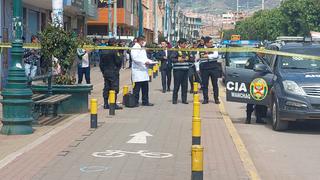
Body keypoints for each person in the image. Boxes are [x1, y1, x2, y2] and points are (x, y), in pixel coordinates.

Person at [131, 36, 155, 107]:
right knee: (137, 88)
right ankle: (135, 102)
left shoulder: (142, 48)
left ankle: (145, 101)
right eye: (143, 41)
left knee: (145, 88)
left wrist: (151, 61)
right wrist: (144, 62)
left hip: (144, 71)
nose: (144, 42)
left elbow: (145, 58)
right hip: (138, 71)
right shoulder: (135, 47)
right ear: (140, 41)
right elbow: (135, 58)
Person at [99, 38, 123, 110]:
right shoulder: (114, 51)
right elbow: (118, 61)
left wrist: (103, 71)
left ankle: (106, 104)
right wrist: (120, 54)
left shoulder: (103, 51)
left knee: (106, 88)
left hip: (106, 72)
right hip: (113, 72)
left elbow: (101, 63)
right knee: (114, 88)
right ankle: (113, 104)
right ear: (114, 43)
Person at [245, 51, 267, 124]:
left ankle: (259, 118)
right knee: (250, 101)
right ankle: (248, 118)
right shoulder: (251, 60)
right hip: (252, 82)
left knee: (260, 102)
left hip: (261, 83)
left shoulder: (265, 60)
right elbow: (246, 70)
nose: (263, 53)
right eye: (261, 51)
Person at [170, 38, 194, 104]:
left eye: (185, 43)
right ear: (180, 44)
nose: (185, 45)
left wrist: (189, 58)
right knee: (176, 85)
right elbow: (171, 58)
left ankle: (184, 100)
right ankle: (174, 100)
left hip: (185, 70)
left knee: (185, 86)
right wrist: (179, 59)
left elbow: (192, 59)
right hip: (178, 70)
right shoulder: (175, 50)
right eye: (184, 43)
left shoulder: (187, 50)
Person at [199, 36, 220, 104]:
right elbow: (200, 56)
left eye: (212, 42)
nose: (212, 43)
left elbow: (216, 55)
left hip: (213, 68)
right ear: (206, 43)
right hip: (204, 68)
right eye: (210, 42)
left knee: (215, 84)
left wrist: (207, 56)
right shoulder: (201, 49)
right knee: (205, 84)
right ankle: (205, 99)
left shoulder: (214, 48)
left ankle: (216, 99)